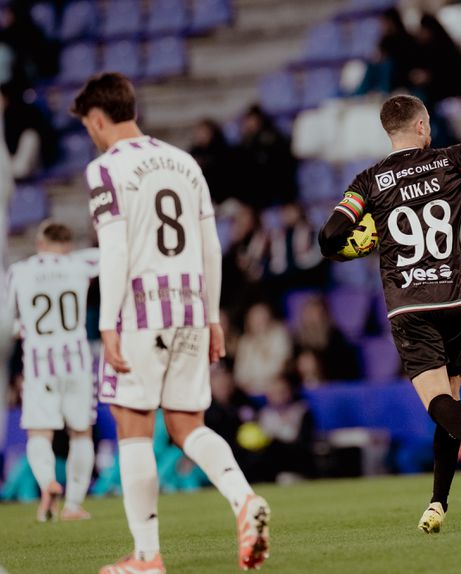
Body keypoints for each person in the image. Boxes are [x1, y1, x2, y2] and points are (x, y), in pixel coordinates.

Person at [319, 77, 461, 533]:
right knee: (449, 402)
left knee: (438, 402)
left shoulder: (369, 181)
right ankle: (438, 503)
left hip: (410, 305)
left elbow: (329, 237)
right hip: (455, 298)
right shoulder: (450, 159)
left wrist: (363, 241)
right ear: (421, 126)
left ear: (389, 131)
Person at [71, 73, 269, 573]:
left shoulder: (105, 168)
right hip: (191, 309)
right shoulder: (185, 162)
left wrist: (108, 322)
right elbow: (211, 247)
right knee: (186, 425)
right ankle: (244, 498)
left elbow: (115, 249)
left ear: (97, 119)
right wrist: (213, 317)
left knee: (133, 425)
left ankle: (146, 556)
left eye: (88, 125)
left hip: (141, 311)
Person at [6, 221, 98, 522]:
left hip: (39, 364)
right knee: (81, 432)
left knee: (40, 432)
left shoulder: (20, 271)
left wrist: (22, 328)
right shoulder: (81, 263)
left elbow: (8, 322)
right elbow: (115, 255)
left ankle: (48, 482)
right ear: (68, 244)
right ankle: (74, 504)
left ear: (40, 243)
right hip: (77, 361)